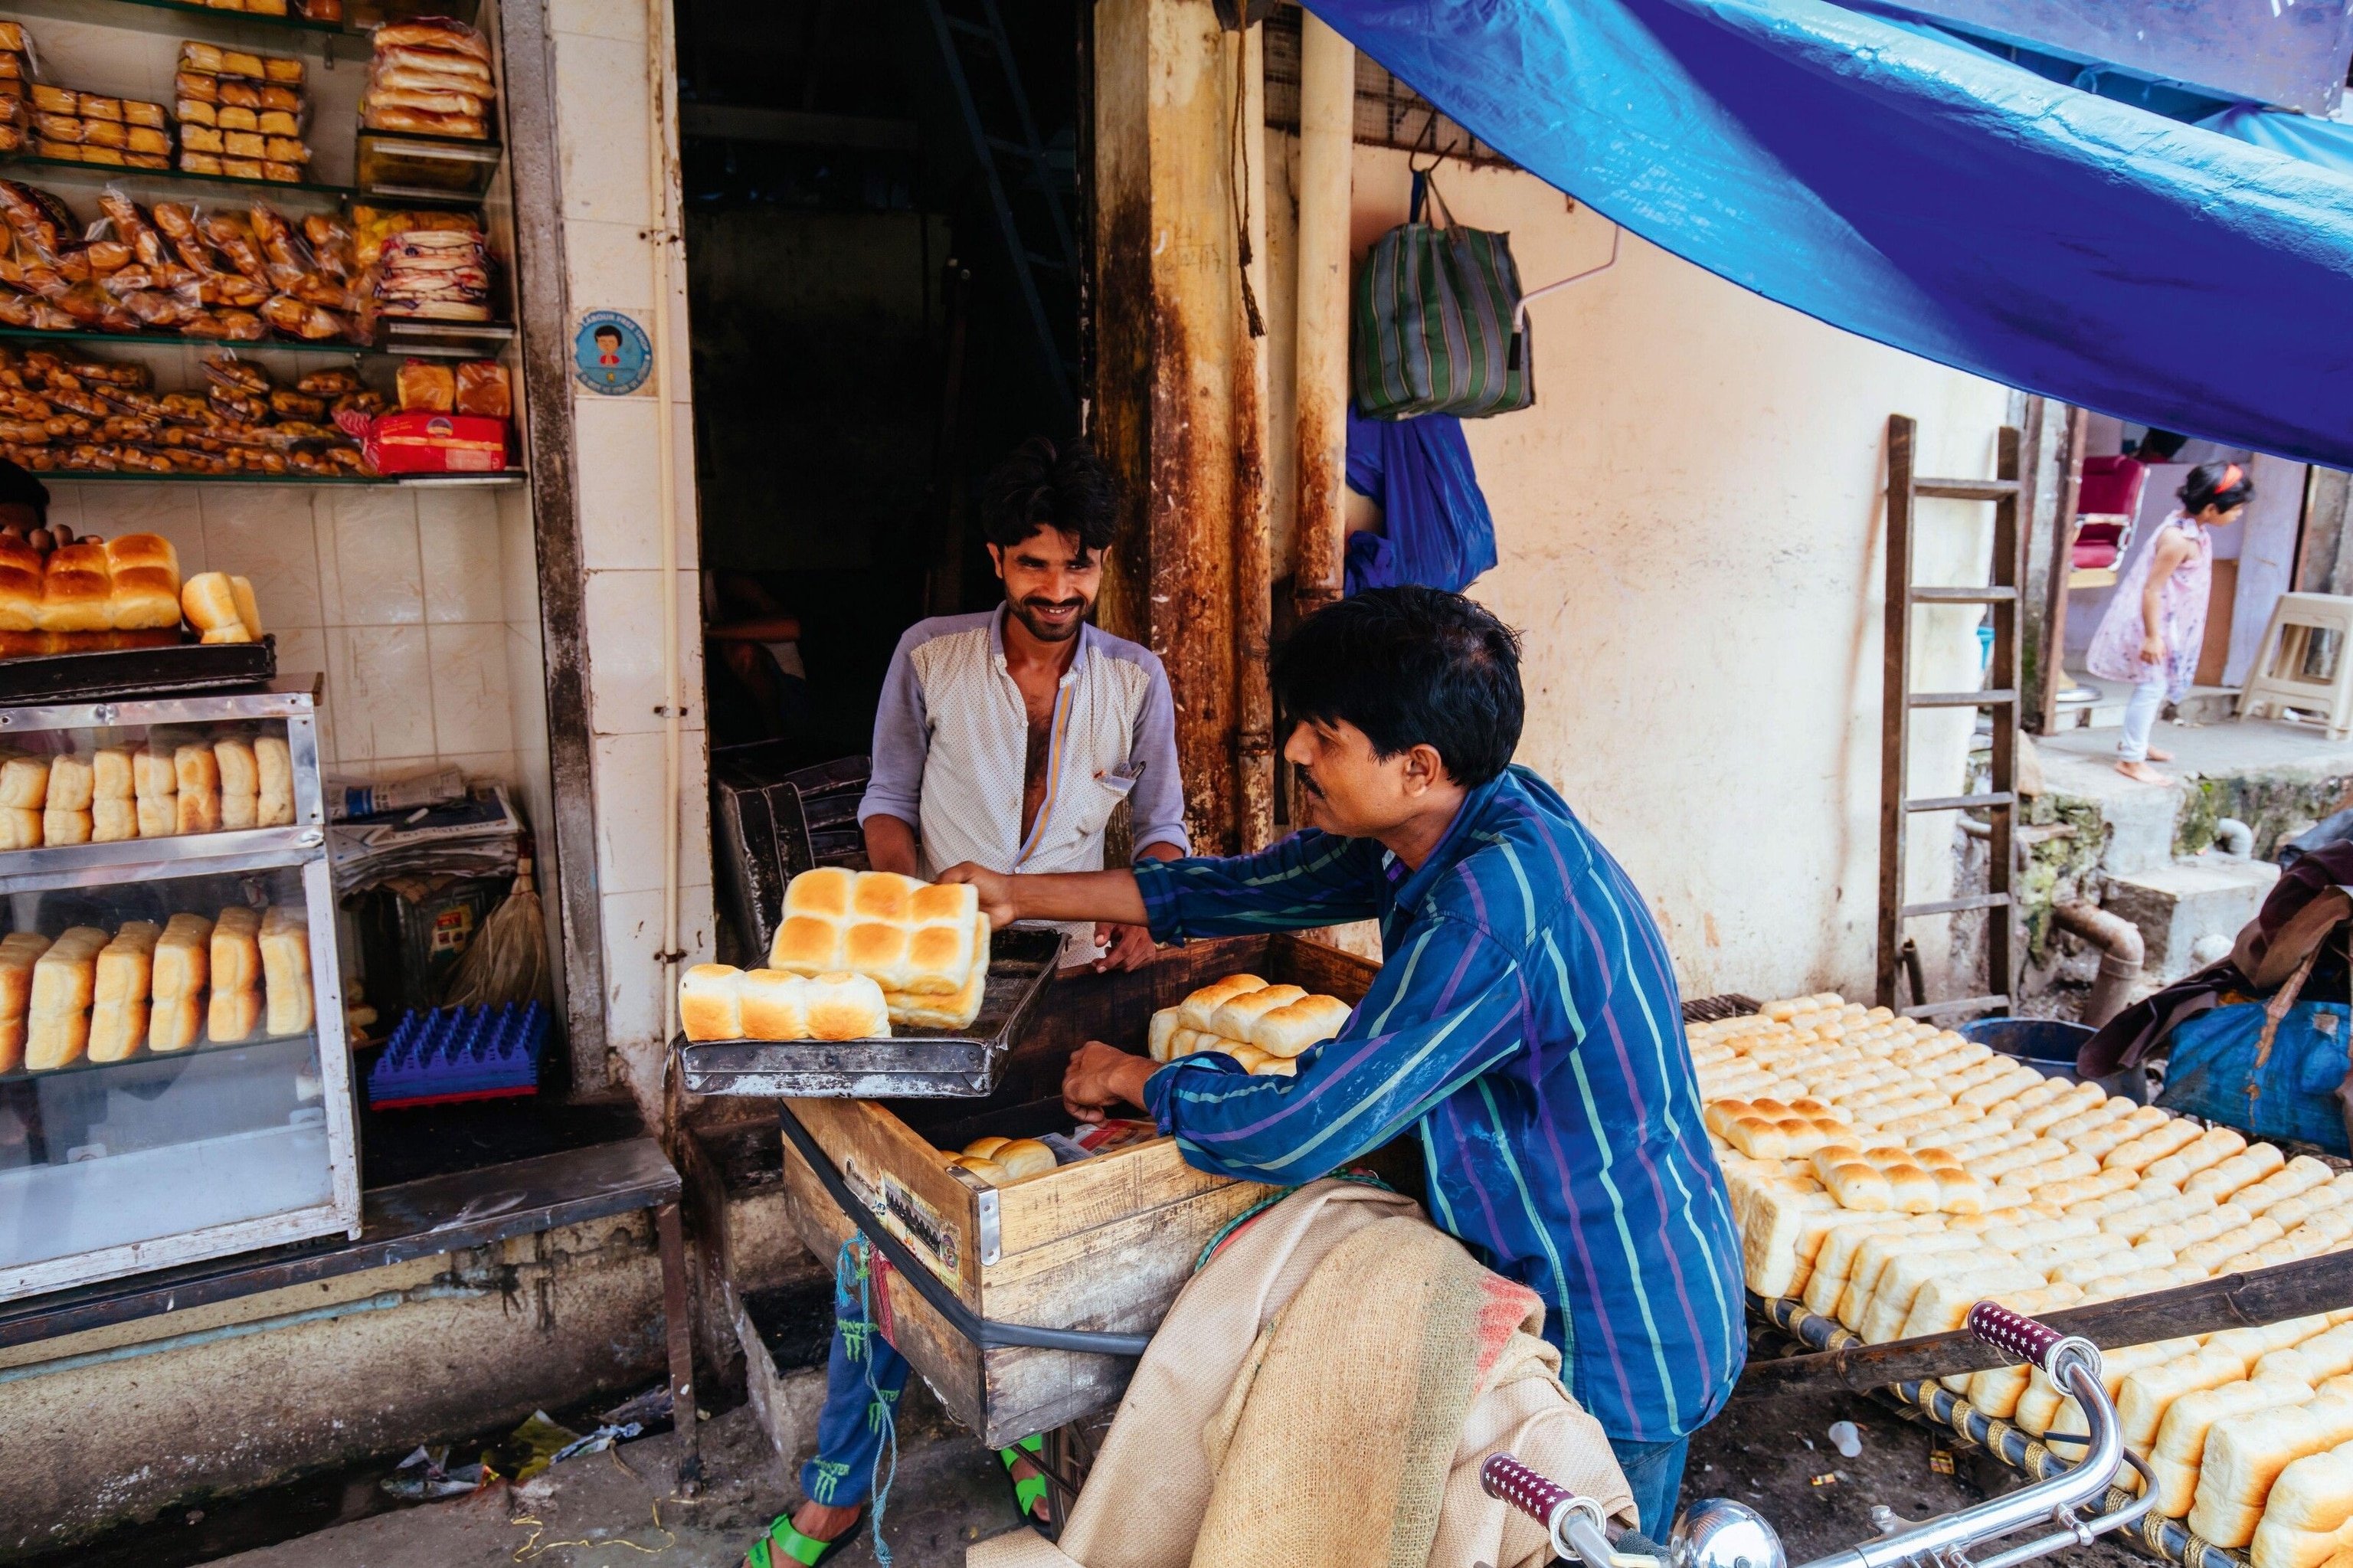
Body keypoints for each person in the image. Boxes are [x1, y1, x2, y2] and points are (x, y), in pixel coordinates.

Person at [938, 586, 1745, 1539]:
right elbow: (1240, 889)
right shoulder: (1451, 819)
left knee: (1590, 1549)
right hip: (1547, 1275)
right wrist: (1015, 892)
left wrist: (1134, 1080)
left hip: (1615, 1320)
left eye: (1325, 735)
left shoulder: (1492, 914)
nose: (1294, 754)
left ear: (1417, 765)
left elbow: (1300, 1127)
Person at [742, 436, 1190, 1568]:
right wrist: (909, 903)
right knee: (885, 1231)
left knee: (1038, 1225)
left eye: (1078, 568)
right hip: (942, 992)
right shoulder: (929, 656)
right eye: (1034, 565)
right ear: (998, 558)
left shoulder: (1137, 677)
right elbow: (887, 800)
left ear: (1101, 566)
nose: (1057, 591)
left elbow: (1164, 829)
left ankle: (1020, 1432)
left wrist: (1146, 906)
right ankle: (838, 1488)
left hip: (1080, 990)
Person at [2085, 461, 2253, 785]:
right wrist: (2152, 636)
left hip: (2173, 625)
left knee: (2157, 686)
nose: (2238, 515)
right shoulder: (2177, 539)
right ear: (2210, 507)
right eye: (2236, 509)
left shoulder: (2193, 531)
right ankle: (2131, 759)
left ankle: (2137, 741)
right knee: (2151, 687)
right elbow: (2152, 588)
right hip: (2157, 625)